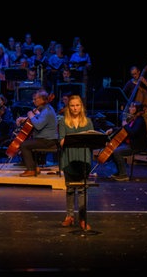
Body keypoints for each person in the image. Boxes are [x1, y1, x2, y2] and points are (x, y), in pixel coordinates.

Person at [58, 95, 94, 231]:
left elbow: (92, 141)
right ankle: (69, 216)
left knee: (83, 190)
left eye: (77, 105)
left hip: (84, 158)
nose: (75, 108)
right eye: (72, 105)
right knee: (70, 189)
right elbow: (61, 141)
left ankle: (83, 219)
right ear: (69, 107)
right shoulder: (63, 121)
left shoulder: (88, 122)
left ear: (81, 106)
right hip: (69, 158)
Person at [15, 89, 58, 177]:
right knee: (26, 143)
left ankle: (31, 170)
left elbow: (38, 125)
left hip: (48, 140)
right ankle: (35, 167)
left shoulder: (47, 111)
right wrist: (25, 118)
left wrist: (31, 116)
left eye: (35, 99)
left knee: (24, 145)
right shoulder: (45, 109)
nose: (33, 101)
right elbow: (39, 117)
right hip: (44, 139)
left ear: (42, 99)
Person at [105, 101, 147, 181]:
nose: (129, 108)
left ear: (137, 109)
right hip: (130, 144)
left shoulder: (140, 120)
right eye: (130, 107)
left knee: (116, 152)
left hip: (137, 146)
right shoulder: (133, 119)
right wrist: (112, 129)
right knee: (112, 150)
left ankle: (123, 175)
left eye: (132, 107)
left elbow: (133, 133)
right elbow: (123, 129)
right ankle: (119, 172)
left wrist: (125, 125)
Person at [122, 64, 147, 136]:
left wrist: (145, 82)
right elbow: (123, 94)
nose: (134, 76)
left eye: (135, 74)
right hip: (132, 110)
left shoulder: (144, 81)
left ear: (139, 72)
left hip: (142, 110)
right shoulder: (130, 83)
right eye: (132, 74)